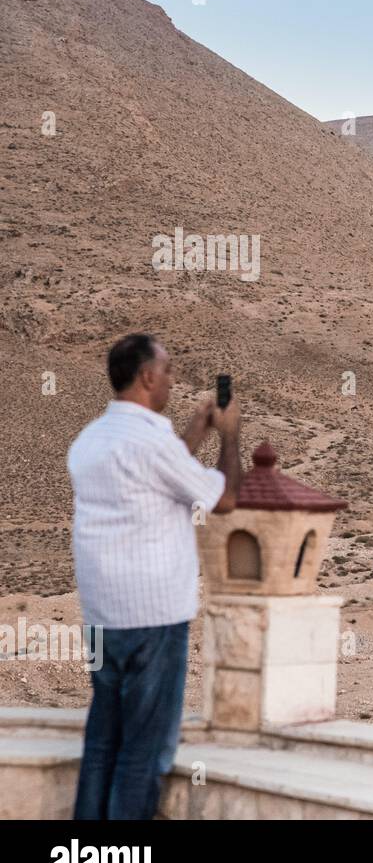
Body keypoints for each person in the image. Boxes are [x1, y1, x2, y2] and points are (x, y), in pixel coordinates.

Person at [67, 334, 242, 819]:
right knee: (144, 749)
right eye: (167, 370)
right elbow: (223, 500)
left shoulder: (90, 439)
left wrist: (193, 430)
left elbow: (157, 478)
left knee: (104, 739)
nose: (171, 378)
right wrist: (229, 434)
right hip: (153, 616)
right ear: (146, 376)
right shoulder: (152, 442)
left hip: (103, 613)